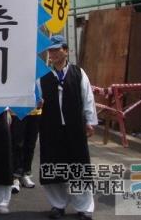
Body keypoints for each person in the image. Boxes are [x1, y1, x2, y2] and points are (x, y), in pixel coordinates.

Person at [38, 35, 98, 220]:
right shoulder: (43, 76)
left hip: (74, 127)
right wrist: (37, 103)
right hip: (51, 127)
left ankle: (84, 207)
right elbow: (36, 100)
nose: (53, 53)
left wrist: (90, 121)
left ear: (66, 50)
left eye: (56, 49)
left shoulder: (78, 73)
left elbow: (88, 98)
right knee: (53, 167)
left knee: (78, 166)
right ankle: (58, 205)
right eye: (51, 50)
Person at [11, 108, 41, 193]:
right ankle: (14, 177)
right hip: (18, 110)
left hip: (36, 111)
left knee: (30, 144)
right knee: (18, 144)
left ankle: (25, 173)